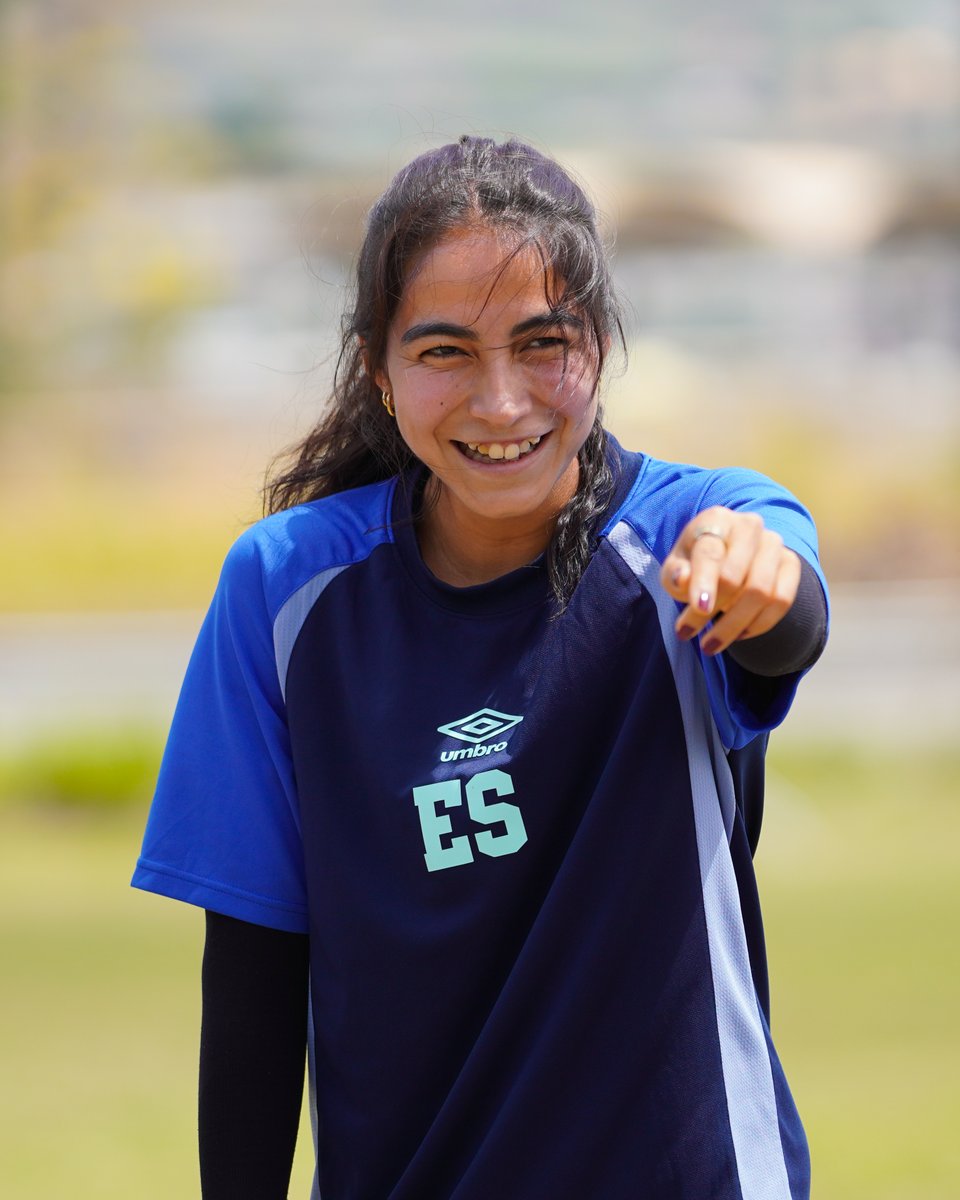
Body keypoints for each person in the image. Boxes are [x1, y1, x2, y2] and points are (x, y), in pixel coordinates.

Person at [132, 135, 828, 1200]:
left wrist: (765, 585)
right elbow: (255, 973)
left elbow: (788, 617)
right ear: (378, 364)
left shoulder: (691, 531)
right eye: (445, 351)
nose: (501, 403)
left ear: (601, 343)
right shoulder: (284, 589)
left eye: (543, 342)